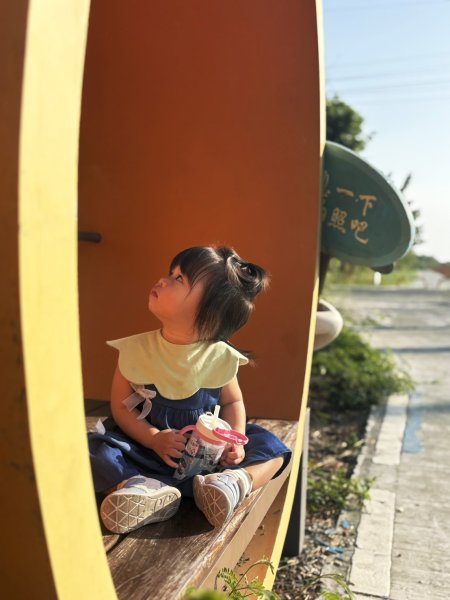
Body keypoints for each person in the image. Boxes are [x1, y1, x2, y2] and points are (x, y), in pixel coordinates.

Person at [88, 246, 291, 534]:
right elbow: (121, 407)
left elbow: (233, 402)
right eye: (170, 273)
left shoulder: (219, 357)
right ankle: (140, 488)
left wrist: (233, 442)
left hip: (208, 457)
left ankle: (233, 482)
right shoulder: (137, 351)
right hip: (145, 451)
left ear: (209, 311)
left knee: (273, 448)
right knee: (97, 450)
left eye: (179, 278)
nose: (163, 280)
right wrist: (153, 438)